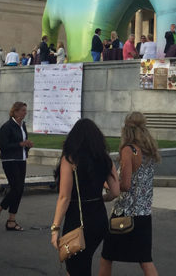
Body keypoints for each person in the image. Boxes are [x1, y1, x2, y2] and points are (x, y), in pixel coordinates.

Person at [50, 118, 120, 275]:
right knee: (80, 263)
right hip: (99, 218)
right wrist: (101, 198)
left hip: (78, 219)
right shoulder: (105, 159)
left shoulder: (70, 159)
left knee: (76, 265)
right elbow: (115, 191)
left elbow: (64, 197)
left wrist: (55, 228)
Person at [100, 112, 160, 276]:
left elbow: (125, 185)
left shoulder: (128, 150)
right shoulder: (149, 151)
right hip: (144, 213)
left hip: (125, 213)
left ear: (126, 129)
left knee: (107, 256)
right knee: (145, 260)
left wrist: (106, 184)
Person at [0, 102, 34, 232]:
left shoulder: (23, 125)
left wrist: (27, 146)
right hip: (9, 160)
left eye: (26, 111)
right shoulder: (7, 127)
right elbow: (3, 146)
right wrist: (20, 144)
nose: (25, 113)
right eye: (23, 110)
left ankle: (11, 221)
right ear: (15, 111)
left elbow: (22, 142)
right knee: (16, 188)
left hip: (21, 159)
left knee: (19, 190)